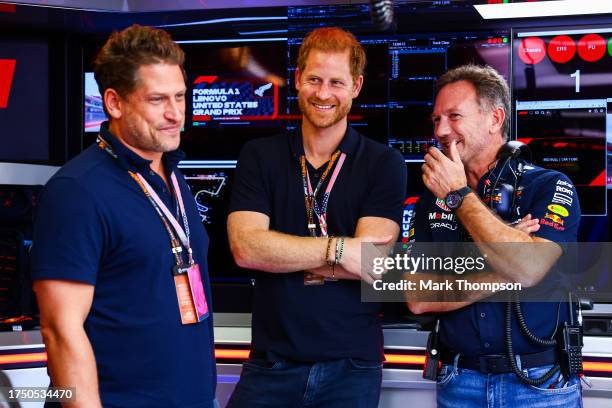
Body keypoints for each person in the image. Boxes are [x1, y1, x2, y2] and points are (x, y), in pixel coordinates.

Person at [31, 24, 216, 408]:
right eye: (157, 100)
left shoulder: (172, 174)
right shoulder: (77, 191)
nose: (174, 114)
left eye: (180, 97)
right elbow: (61, 330)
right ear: (114, 103)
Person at [226, 27, 406, 407]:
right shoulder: (259, 156)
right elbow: (246, 248)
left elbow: (371, 262)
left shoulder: (383, 163)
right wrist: (339, 250)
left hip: (351, 368)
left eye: (336, 82)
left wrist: (282, 253)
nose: (324, 94)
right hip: (270, 364)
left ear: (356, 86)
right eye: (314, 79)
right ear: (297, 80)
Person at [406, 64, 582, 407]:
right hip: (459, 382)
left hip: (540, 387)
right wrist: (509, 262)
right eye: (436, 119)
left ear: (495, 119)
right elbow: (417, 296)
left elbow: (529, 268)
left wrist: (458, 196)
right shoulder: (430, 198)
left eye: (454, 116)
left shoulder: (549, 186)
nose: (441, 130)